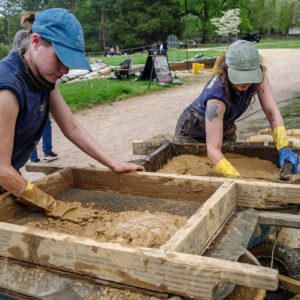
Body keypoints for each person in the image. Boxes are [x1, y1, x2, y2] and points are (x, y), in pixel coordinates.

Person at [0, 8, 143, 221]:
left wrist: (112, 163)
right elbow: (2, 170)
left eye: (70, 62)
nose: (65, 70)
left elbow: (71, 127)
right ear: (36, 42)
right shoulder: (8, 90)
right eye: (60, 59)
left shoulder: (44, 79)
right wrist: (54, 206)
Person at [174, 40, 299, 177]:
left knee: (229, 162)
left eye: (248, 76)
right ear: (226, 69)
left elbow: (272, 113)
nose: (244, 82)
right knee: (197, 176)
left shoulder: (259, 77)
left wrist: (283, 146)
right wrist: (235, 177)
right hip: (193, 131)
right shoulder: (216, 99)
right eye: (239, 76)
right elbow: (213, 148)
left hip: (224, 127)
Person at [12, 29, 58, 163]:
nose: (65, 70)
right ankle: (45, 152)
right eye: (57, 59)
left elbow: (72, 127)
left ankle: (35, 157)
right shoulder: (9, 85)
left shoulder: (44, 75)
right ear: (33, 43)